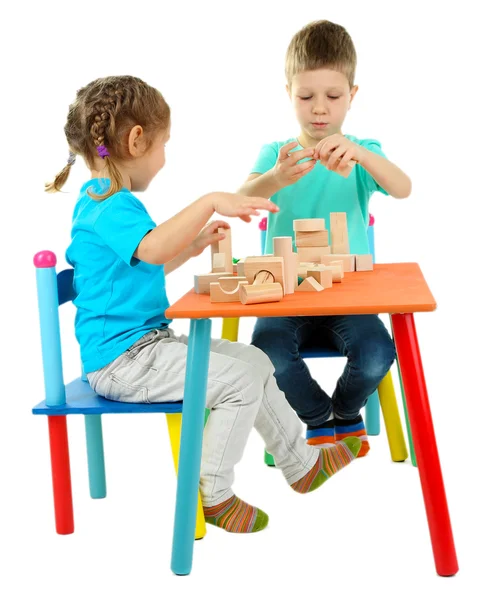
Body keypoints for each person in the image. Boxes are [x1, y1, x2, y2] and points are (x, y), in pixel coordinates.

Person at [46, 75, 361, 534]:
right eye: (163, 145)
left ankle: (302, 462)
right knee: (237, 381)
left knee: (253, 360)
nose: (163, 158)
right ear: (137, 140)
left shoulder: (105, 202)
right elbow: (151, 250)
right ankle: (214, 493)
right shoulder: (109, 206)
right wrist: (211, 201)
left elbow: (143, 267)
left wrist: (192, 247)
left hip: (146, 348)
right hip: (123, 362)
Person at [238, 21, 411, 457]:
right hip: (284, 296)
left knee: (376, 353)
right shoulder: (276, 153)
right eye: (306, 96)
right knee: (268, 357)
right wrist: (276, 176)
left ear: (352, 96)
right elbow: (239, 200)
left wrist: (363, 156)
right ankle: (319, 417)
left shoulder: (362, 151)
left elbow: (402, 187)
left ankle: (347, 411)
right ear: (288, 93)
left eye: (333, 97)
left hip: (346, 296)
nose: (320, 109)